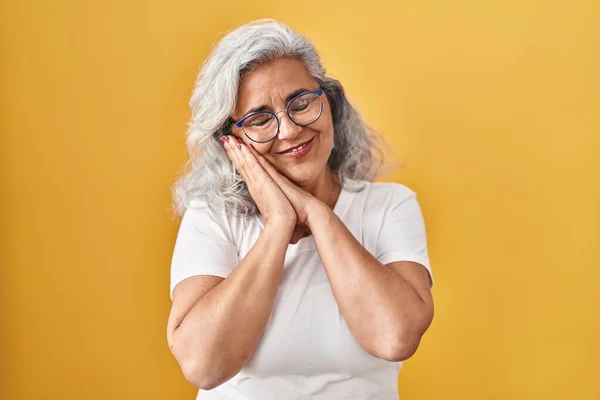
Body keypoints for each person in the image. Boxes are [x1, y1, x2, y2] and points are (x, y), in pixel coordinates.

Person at [167, 19, 434, 400]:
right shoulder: (212, 217)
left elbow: (394, 337)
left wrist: (318, 214)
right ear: (233, 141)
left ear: (329, 102)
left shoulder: (390, 206)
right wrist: (279, 223)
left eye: (301, 102)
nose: (290, 130)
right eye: (260, 119)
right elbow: (203, 366)